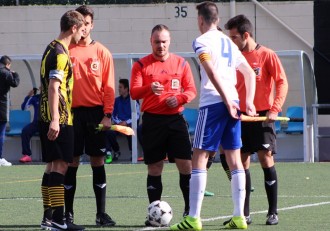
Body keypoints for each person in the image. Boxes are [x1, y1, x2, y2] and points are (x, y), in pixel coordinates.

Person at [171, 2, 257, 230]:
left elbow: (210, 71)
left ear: (201, 20)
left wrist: (226, 100)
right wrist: (246, 102)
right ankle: (239, 217)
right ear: (217, 20)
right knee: (234, 158)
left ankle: (193, 218)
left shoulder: (201, 41)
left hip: (214, 103)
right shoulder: (228, 41)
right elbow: (249, 73)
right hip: (234, 104)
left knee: (199, 156)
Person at [223, 14, 288, 226]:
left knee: (265, 159)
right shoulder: (233, 57)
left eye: (234, 37)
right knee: (240, 164)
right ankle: (244, 213)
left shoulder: (267, 55)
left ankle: (272, 212)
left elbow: (282, 83)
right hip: (239, 116)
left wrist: (275, 108)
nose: (231, 41)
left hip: (261, 116)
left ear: (246, 35)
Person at [130, 24, 197, 226]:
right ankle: (154, 213)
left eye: (164, 41)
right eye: (157, 41)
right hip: (152, 121)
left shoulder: (181, 64)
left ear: (170, 42)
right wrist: (149, 88)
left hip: (176, 120)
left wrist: (180, 99)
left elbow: (192, 90)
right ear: (151, 41)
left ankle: (189, 210)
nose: (161, 45)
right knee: (155, 167)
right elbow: (133, 93)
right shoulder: (141, 65)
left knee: (185, 165)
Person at [64, 5, 116, 227]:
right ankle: (68, 215)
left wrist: (107, 115)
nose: (83, 28)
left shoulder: (102, 52)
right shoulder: (65, 50)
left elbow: (109, 86)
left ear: (92, 25)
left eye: (87, 23)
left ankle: (100, 214)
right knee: (71, 162)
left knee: (98, 161)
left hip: (96, 114)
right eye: (80, 24)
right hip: (72, 114)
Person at [39, 10, 86, 231]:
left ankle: (48, 219)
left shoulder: (49, 47)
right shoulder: (60, 53)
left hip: (45, 116)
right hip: (59, 118)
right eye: (82, 28)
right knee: (60, 165)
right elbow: (53, 87)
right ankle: (59, 219)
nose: (83, 32)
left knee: (50, 167)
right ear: (73, 28)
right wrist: (56, 120)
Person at [104, 78, 140, 163]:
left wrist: (126, 122)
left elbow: (137, 115)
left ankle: (133, 153)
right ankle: (113, 152)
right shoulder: (116, 101)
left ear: (126, 88)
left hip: (129, 125)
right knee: (108, 131)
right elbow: (113, 115)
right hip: (118, 125)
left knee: (130, 131)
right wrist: (119, 122)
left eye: (120, 87)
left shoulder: (133, 100)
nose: (118, 89)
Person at [0, 55, 20, 167]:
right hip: (1, 108)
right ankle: (0, 158)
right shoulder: (5, 72)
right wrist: (15, 74)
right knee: (1, 134)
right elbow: (15, 83)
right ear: (7, 64)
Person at [19, 87, 40, 163]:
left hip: (48, 123)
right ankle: (27, 155)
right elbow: (24, 108)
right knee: (25, 131)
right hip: (36, 123)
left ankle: (53, 156)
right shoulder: (35, 98)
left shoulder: (52, 96)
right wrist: (29, 96)